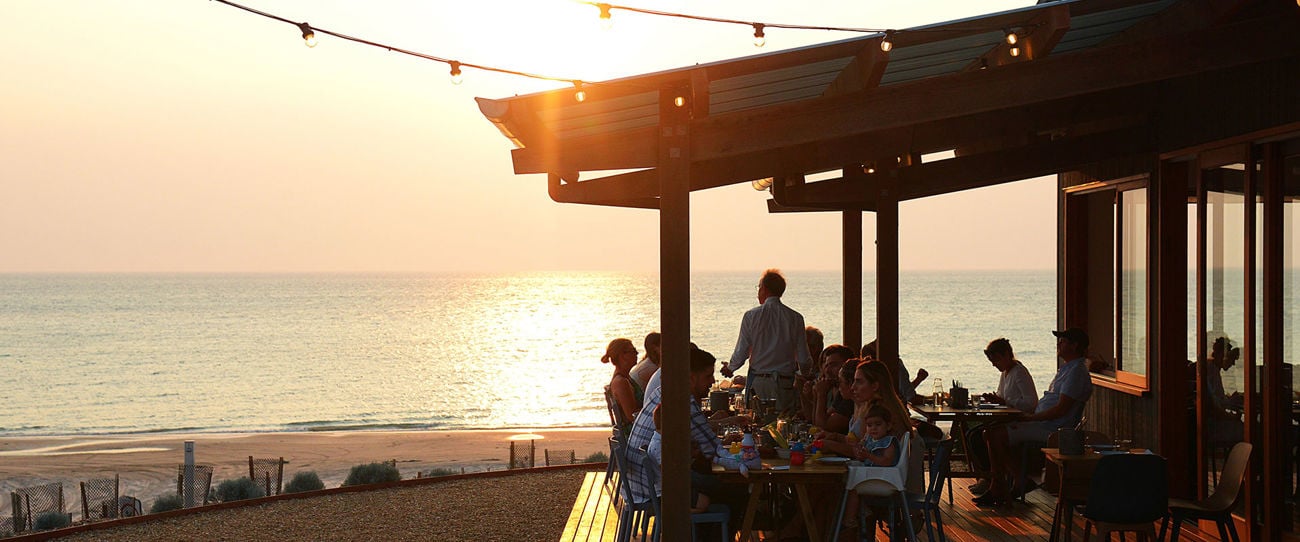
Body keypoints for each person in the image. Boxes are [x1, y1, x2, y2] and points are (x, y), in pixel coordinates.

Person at [626, 345, 746, 524]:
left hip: (641, 484)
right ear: (691, 377)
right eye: (708, 376)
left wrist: (722, 429)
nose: (712, 381)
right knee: (736, 488)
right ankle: (714, 533)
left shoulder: (665, 390)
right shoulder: (683, 401)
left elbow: (699, 436)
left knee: (713, 478)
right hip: (657, 491)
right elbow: (713, 451)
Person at [974, 328, 1094, 506]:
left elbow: (1061, 410)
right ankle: (1016, 480)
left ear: (1075, 346)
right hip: (1043, 422)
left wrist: (1030, 418)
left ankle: (999, 485)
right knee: (989, 433)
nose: (1058, 344)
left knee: (993, 435)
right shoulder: (1068, 369)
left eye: (1062, 341)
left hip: (1051, 428)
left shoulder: (1076, 373)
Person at [721, 269, 812, 415]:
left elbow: (742, 351)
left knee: (755, 422)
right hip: (785, 383)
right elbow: (803, 358)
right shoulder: (795, 318)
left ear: (764, 289)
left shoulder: (751, 316)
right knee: (784, 423)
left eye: (759, 287)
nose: (758, 292)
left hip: (759, 383)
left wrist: (730, 368)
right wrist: (804, 375)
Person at [966, 338, 1038, 494]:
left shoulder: (1019, 372)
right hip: (1007, 418)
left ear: (1007, 354)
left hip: (1021, 420)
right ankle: (989, 477)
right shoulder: (1005, 373)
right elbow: (1002, 395)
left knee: (978, 436)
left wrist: (1005, 401)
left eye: (996, 360)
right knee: (972, 434)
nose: (994, 364)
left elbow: (1031, 403)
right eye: (992, 361)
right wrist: (994, 399)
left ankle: (992, 479)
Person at [645, 404, 710, 513]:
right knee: (706, 499)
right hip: (668, 493)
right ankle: (677, 512)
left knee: (707, 485)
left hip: (672, 488)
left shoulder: (663, 441)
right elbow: (670, 476)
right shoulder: (659, 446)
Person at [804, 345, 856, 432]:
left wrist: (821, 394)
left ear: (846, 366)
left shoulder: (850, 395)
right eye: (826, 365)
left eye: (833, 365)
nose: (827, 371)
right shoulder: (840, 392)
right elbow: (816, 423)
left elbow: (823, 426)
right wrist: (815, 394)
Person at [861, 340, 929, 405]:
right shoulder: (895, 365)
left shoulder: (865, 375)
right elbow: (911, 397)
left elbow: (905, 392)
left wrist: (919, 379)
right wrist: (930, 400)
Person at [602, 338, 642, 422]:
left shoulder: (625, 378)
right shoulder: (621, 382)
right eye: (633, 351)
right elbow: (632, 416)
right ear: (622, 356)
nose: (637, 353)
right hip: (636, 428)